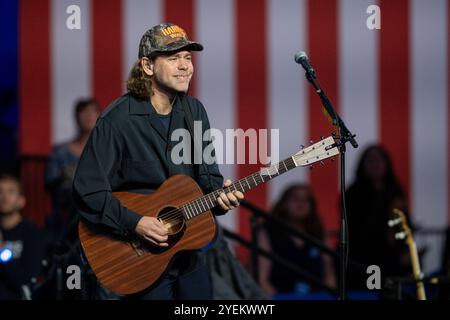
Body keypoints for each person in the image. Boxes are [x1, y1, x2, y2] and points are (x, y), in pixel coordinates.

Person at [72, 23, 244, 300]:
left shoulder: (194, 111)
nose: (185, 66)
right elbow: (87, 189)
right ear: (148, 66)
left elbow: (208, 179)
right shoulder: (117, 120)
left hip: (188, 252)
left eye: (187, 57)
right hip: (139, 257)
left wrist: (221, 197)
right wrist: (135, 222)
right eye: (173, 57)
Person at [345, 145, 411, 290]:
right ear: (363, 165)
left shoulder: (395, 191)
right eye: (370, 161)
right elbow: (355, 228)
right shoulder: (353, 193)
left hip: (393, 257)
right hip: (362, 257)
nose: (375, 165)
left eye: (379, 160)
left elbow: (405, 224)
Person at [258, 184, 336, 296]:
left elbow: (329, 274)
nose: (301, 204)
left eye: (306, 200)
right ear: (284, 203)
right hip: (281, 297)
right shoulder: (268, 233)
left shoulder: (319, 235)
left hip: (317, 297)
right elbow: (262, 278)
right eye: (295, 199)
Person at [45, 98, 101, 244]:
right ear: (77, 117)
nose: (88, 116)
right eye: (84, 112)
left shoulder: (106, 152)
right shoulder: (60, 152)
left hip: (98, 217)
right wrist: (63, 177)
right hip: (66, 218)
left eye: (92, 112)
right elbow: (49, 183)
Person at [0, 174, 46, 299]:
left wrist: (3, 252)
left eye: (11, 191)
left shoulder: (31, 233)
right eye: (0, 191)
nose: (4, 197)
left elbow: (25, 279)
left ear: (21, 201)